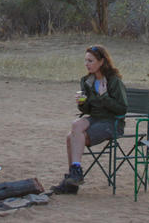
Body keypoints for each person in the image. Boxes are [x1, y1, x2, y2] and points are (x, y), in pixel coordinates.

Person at [51, 45, 128, 194]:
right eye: (85, 61)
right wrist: (82, 103)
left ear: (101, 62)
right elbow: (86, 111)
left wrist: (104, 96)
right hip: (95, 119)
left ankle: (72, 182)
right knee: (75, 125)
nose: (87, 64)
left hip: (112, 122)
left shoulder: (113, 81)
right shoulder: (87, 81)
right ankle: (75, 173)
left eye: (90, 61)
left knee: (70, 138)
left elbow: (122, 109)